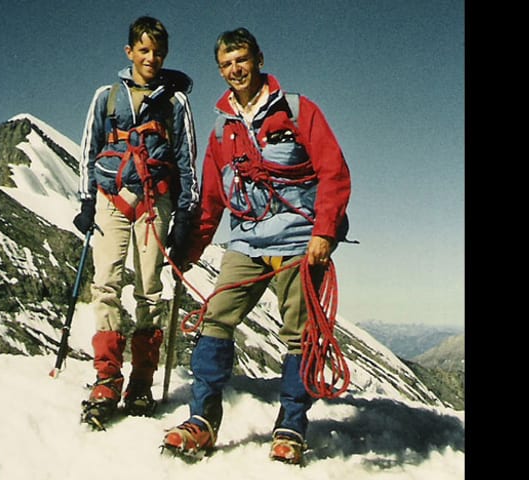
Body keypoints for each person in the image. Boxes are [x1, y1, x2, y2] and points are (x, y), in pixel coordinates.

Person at [161, 27, 351, 464]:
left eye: (241, 60)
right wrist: (188, 253)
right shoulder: (220, 128)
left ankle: (291, 427)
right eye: (226, 64)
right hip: (244, 243)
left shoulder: (298, 110)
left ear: (259, 59)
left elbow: (334, 173)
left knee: (298, 336)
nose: (235, 70)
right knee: (215, 318)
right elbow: (211, 200)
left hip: (299, 240)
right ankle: (202, 420)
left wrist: (324, 232)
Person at [73, 16, 199, 424]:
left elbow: (185, 158)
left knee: (149, 290)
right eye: (143, 50)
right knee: (105, 284)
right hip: (111, 197)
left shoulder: (175, 102)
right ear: (129, 52)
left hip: (155, 201)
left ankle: (141, 382)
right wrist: (85, 200)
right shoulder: (105, 97)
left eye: (157, 52)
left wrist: (185, 213)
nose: (151, 57)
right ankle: (107, 377)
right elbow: (89, 147)